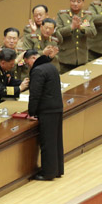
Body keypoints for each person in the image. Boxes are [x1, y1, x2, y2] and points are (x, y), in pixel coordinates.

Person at [24, 50, 65, 181]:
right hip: (57, 107)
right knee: (56, 141)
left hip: (47, 110)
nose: (29, 65)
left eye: (28, 62)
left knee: (47, 142)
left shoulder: (38, 71)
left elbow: (35, 94)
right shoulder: (51, 66)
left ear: (34, 58)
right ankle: (57, 169)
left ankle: (48, 173)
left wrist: (31, 112)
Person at [55, 0, 96, 72]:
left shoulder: (87, 15)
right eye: (73, 1)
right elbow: (57, 33)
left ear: (83, 3)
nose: (75, 4)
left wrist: (81, 28)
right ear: (70, 1)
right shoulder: (62, 15)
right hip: (65, 59)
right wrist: (71, 27)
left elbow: (93, 32)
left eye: (78, 1)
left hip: (82, 58)